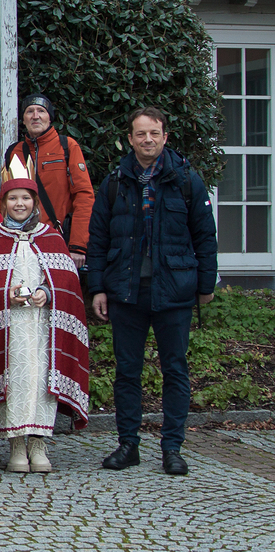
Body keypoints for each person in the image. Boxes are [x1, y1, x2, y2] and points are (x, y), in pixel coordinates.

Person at [84, 107, 217, 476]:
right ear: (130, 139)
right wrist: (97, 287)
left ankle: (172, 447)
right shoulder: (115, 182)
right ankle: (128, 444)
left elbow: (205, 236)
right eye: (140, 134)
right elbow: (98, 239)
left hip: (174, 290)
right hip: (126, 291)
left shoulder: (187, 179)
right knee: (128, 371)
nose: (147, 140)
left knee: (175, 369)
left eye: (154, 133)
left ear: (165, 137)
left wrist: (206, 285)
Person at [0, 162, 91, 474]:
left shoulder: (52, 237)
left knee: (40, 382)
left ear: (35, 203)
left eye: (25, 198)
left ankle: (38, 444)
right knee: (12, 382)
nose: (19, 204)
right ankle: (15, 446)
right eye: (13, 198)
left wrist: (48, 293)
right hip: (8, 326)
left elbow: (68, 283)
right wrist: (3, 295)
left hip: (43, 328)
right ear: (3, 203)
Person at [3, 94, 97, 268]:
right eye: (29, 111)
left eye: (41, 111)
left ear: (49, 117)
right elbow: (6, 199)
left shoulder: (67, 146)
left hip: (58, 241)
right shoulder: (13, 152)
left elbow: (84, 196)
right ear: (23, 119)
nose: (35, 116)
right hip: (20, 243)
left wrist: (78, 245)